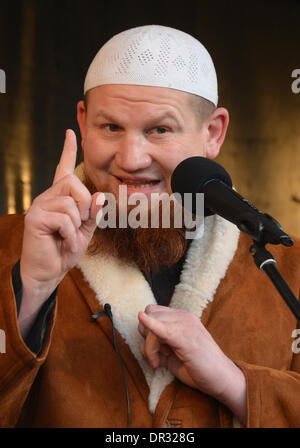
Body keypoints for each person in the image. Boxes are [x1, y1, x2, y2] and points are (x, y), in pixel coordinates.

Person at [0, 25, 299, 428]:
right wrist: (29, 290)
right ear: (83, 122)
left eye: (159, 130)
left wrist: (236, 385)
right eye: (111, 128)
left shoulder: (288, 270)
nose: (131, 158)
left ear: (213, 133)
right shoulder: (9, 244)